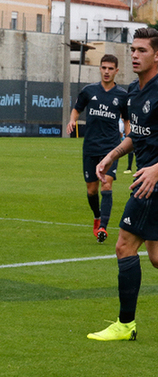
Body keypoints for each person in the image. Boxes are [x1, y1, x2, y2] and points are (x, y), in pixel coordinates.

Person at [88, 27, 158, 342]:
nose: (134, 55)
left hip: (151, 184)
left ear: (157, 55)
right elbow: (136, 134)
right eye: (133, 49)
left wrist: (157, 168)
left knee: (124, 246)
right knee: (156, 257)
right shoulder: (134, 91)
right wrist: (110, 156)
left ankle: (125, 324)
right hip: (147, 179)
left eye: (142, 50)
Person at [66, 54, 128, 244]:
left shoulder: (122, 96)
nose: (107, 71)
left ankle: (103, 228)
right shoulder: (88, 91)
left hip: (111, 148)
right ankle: (97, 217)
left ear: (116, 71)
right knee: (92, 191)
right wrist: (72, 120)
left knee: (107, 185)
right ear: (100, 69)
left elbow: (127, 120)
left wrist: (128, 136)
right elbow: (77, 108)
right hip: (90, 147)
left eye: (110, 68)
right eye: (104, 68)